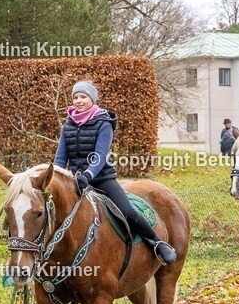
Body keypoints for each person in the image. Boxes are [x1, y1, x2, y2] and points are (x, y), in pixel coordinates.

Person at [53, 80, 178, 265]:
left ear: (92, 100)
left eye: (83, 97)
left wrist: (88, 175)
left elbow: (100, 155)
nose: (78, 100)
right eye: (75, 97)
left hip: (101, 178)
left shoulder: (104, 122)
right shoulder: (68, 125)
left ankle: (158, 243)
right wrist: (56, 178)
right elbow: (60, 158)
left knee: (127, 211)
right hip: (75, 181)